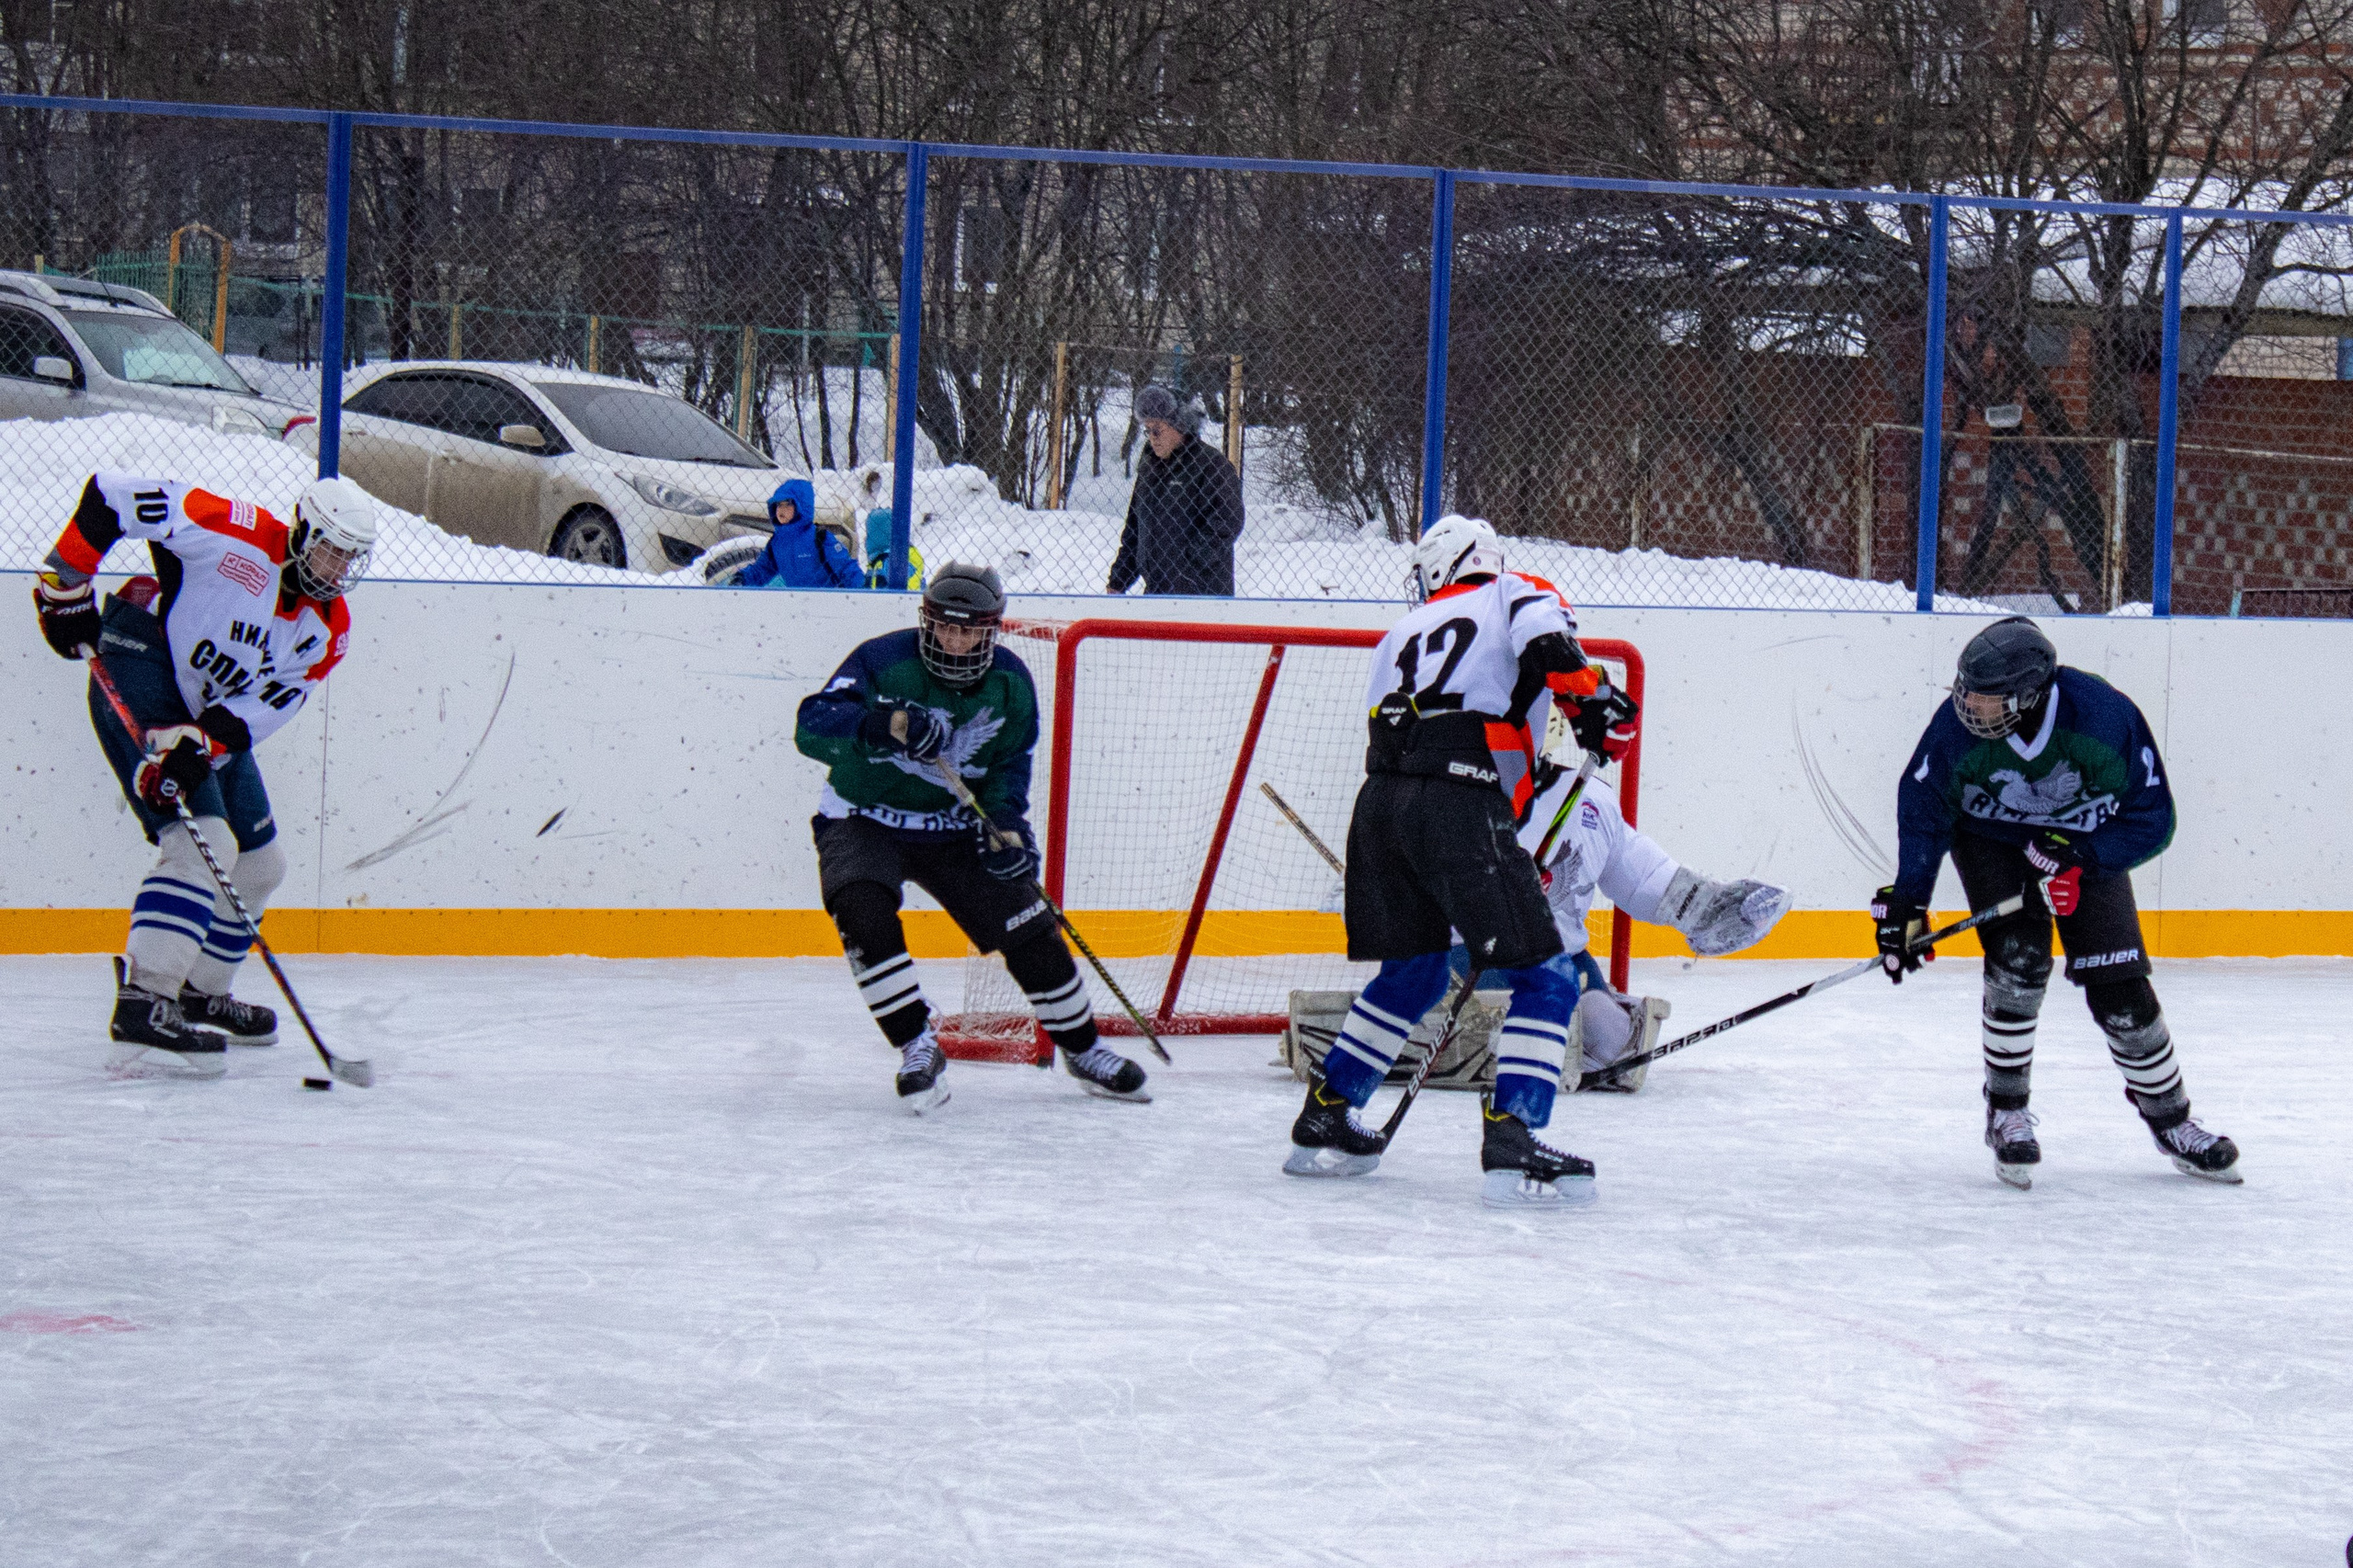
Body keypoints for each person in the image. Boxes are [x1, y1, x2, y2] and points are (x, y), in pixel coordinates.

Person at [1282, 515, 1601, 1209]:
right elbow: (1552, 647)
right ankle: (1513, 1131)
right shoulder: (1513, 590)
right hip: (1458, 804)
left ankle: (1326, 1109)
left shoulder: (1402, 630)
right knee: (1546, 979)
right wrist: (1596, 703)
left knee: (1416, 972)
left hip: (1381, 807)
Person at [30, 472, 378, 1077]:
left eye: (351, 555)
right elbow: (111, 495)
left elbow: (261, 709)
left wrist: (201, 745)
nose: (338, 565)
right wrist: (67, 583)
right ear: (304, 529)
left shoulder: (328, 632)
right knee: (203, 841)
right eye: (331, 546)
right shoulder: (231, 531)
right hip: (143, 657)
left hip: (202, 714)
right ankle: (146, 997)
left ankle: (199, 990)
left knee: (261, 864)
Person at [1874, 616, 2239, 1187]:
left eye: (1986, 697)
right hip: (1992, 843)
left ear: (2030, 694)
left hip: (2082, 848)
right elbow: (1924, 809)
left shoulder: (2102, 718)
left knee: (2122, 991)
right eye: (1965, 688)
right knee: (2019, 959)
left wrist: (2084, 858)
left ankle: (2174, 1122)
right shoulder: (1955, 729)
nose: (1968, 704)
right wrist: (1908, 903)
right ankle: (2008, 1113)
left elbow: (2153, 818)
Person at [793, 562, 1150, 1111]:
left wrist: (1007, 824)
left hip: (956, 827)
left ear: (991, 630)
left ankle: (1083, 1050)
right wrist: (883, 724)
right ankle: (917, 1045)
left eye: (969, 631)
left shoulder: (1009, 682)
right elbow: (812, 724)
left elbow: (1009, 764)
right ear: (927, 622)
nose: (955, 642)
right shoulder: (882, 659)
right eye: (944, 628)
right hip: (861, 817)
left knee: (1028, 925)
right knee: (861, 910)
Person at [1510, 719, 1790, 1091]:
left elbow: (1645, 877)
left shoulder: (1587, 800)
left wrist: (1710, 911)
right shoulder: (1429, 793)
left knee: (1612, 1041)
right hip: (1452, 961)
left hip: (1555, 967)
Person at [1106, 385, 1243, 597]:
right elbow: (1135, 528)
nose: (1152, 437)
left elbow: (1226, 523)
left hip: (1201, 595)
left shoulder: (1212, 466)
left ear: (1179, 425)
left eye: (1157, 429)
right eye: (1147, 430)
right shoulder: (1150, 466)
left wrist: (1187, 569)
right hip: (1157, 593)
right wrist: (1119, 580)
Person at [736, 476, 860, 588]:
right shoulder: (777, 542)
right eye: (779, 505)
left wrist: (862, 589)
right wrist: (742, 579)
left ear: (801, 507)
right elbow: (762, 570)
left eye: (788, 504)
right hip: (797, 602)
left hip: (828, 600)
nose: (781, 510)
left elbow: (845, 567)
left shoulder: (819, 538)